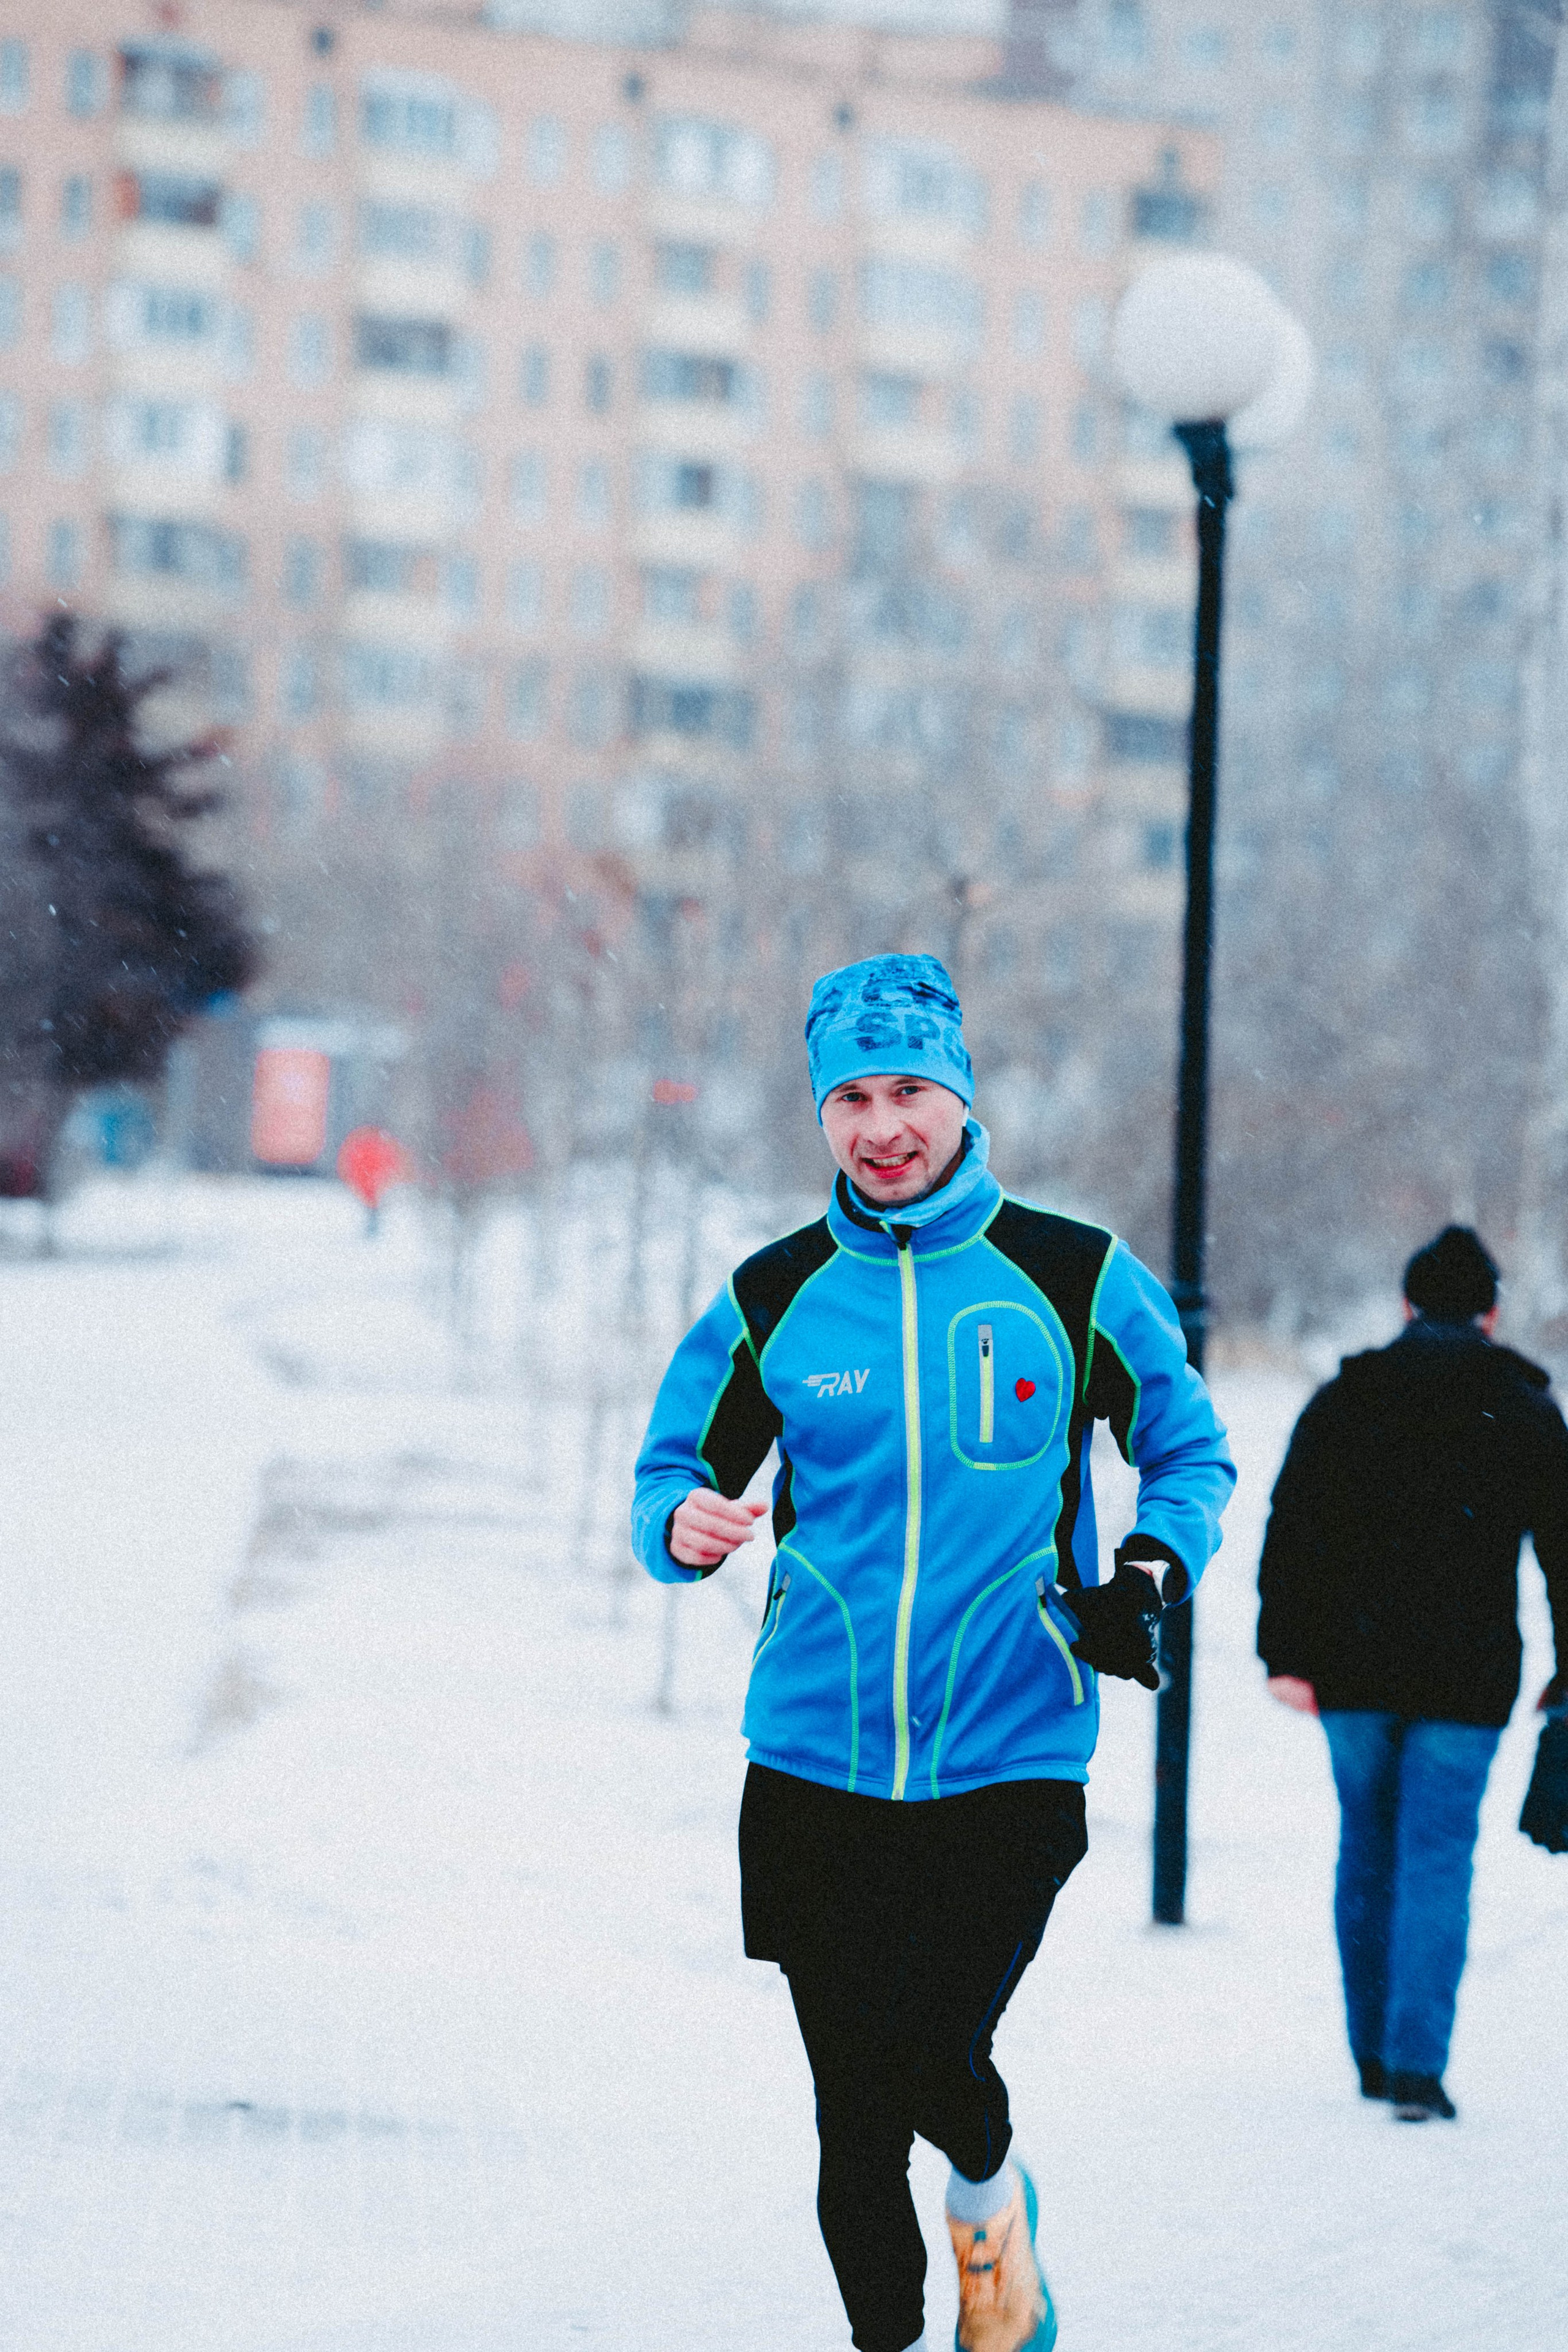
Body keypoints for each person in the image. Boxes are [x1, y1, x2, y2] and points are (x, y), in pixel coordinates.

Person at [632, 954, 1235, 2352]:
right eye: (848, 1097)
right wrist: (685, 1521)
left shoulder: (1070, 1276)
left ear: (960, 1100)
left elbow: (1187, 1450)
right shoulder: (774, 1296)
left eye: (907, 1090)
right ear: (820, 1115)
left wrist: (1149, 1568)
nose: (878, 1125)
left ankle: (985, 2198)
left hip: (1009, 1747)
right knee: (851, 2120)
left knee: (933, 2059)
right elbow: (671, 1468)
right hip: (809, 1759)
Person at [1257, 1224, 1568, 2124]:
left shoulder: (1349, 1396)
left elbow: (1293, 1529)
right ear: (1491, 1311)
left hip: (1351, 1668)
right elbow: (1563, 1552)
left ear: (1403, 1304)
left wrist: (1286, 1653)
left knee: (1366, 1849)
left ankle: (1368, 2053)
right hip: (1467, 1678)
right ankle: (1416, 2068)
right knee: (1437, 1858)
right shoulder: (1524, 1405)